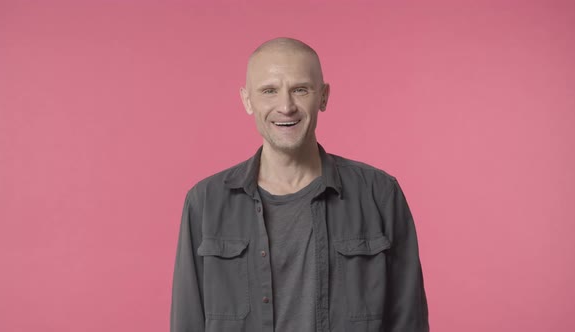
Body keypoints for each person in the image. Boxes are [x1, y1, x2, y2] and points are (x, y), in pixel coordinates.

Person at [171, 37, 429, 332]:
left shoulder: (380, 194)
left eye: (300, 89)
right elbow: (187, 321)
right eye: (269, 90)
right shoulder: (205, 202)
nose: (286, 106)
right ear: (247, 100)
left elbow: (409, 320)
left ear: (323, 96)